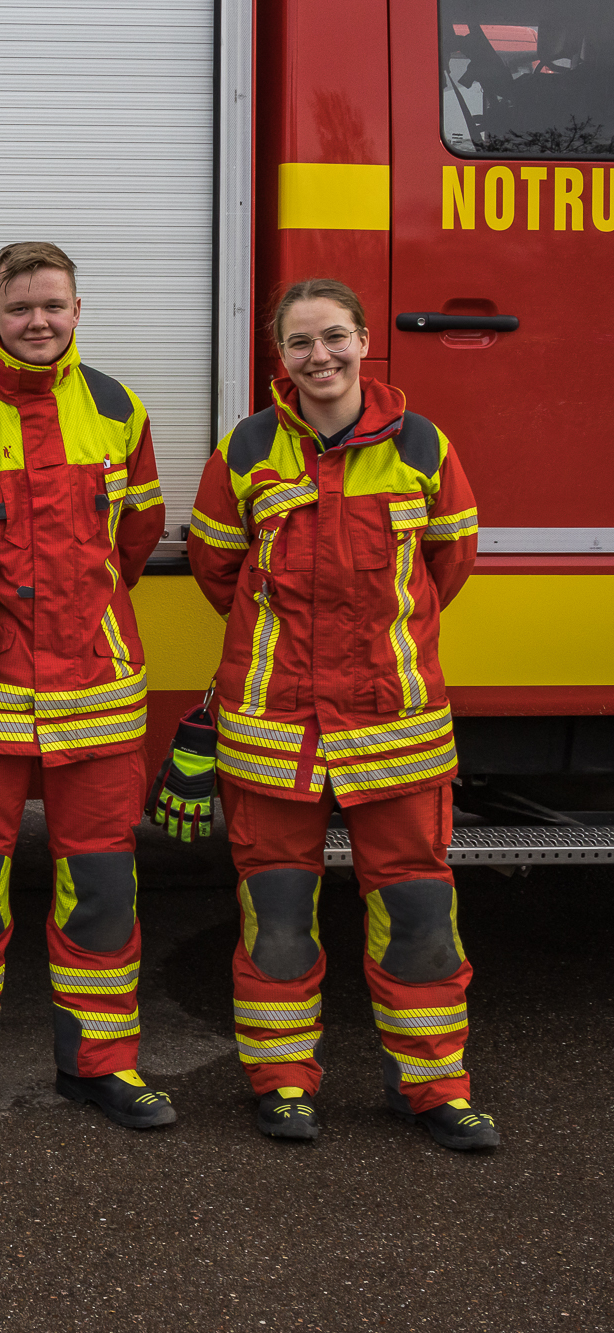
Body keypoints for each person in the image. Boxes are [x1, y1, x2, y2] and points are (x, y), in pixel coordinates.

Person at [187, 278, 494, 1150]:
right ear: (278, 357)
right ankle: (282, 1081)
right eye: (299, 344)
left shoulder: (423, 446)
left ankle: (433, 1087)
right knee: (277, 914)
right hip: (275, 728)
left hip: (393, 728)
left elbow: (448, 563)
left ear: (364, 339)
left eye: (334, 338)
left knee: (422, 918)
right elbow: (219, 570)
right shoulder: (247, 449)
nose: (319, 356)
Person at [0, 241, 173, 1132]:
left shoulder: (119, 409)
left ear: (78, 311)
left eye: (53, 305)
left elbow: (136, 539)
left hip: (96, 696)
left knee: (102, 891)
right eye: (20, 309)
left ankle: (102, 1063)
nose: (38, 321)